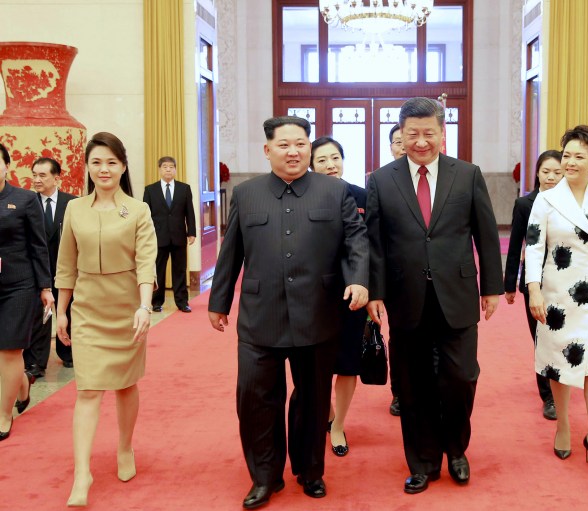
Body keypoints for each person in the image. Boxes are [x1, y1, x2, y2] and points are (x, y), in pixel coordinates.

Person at [207, 116, 369, 509]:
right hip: (260, 314)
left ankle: (310, 470)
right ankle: (265, 477)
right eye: (284, 145)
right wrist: (218, 302)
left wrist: (359, 278)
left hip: (318, 312)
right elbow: (231, 253)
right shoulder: (247, 195)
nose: (294, 151)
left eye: (301, 143)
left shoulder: (335, 192)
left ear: (309, 148)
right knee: (255, 397)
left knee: (313, 399)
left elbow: (356, 240)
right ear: (268, 150)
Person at [366, 97, 503, 494]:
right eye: (413, 134)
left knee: (460, 378)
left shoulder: (467, 174)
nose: (421, 141)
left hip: (457, 294)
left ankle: (456, 449)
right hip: (405, 296)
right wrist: (375, 290)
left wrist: (491, 286)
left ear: (442, 133)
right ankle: (422, 461)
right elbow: (374, 242)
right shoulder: (381, 179)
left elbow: (486, 235)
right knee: (412, 383)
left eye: (429, 133)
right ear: (401, 134)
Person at [55, 132, 157, 506]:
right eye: (97, 162)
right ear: (87, 167)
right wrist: (61, 313)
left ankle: (125, 447)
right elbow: (65, 265)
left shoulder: (138, 210)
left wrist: (144, 307)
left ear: (123, 166)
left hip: (127, 309)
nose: (104, 169)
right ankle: (82, 473)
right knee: (88, 389)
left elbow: (146, 262)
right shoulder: (75, 210)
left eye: (111, 162)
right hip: (87, 310)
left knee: (126, 385)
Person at [525, 125, 588, 474]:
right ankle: (564, 424)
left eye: (578, 156)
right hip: (557, 296)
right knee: (559, 361)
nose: (569, 162)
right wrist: (534, 289)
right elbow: (535, 245)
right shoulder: (547, 198)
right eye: (566, 154)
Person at [309, 136, 367, 458]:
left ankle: (338, 424)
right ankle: (327, 412)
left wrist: (372, 290)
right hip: (313, 295)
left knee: (347, 364)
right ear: (311, 164)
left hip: (352, 293)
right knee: (314, 364)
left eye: (335, 158)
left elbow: (371, 246)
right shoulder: (302, 196)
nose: (330, 165)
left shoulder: (361, 196)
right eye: (322, 160)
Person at [0, 143, 55, 441]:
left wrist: (45, 287)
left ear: (7, 166)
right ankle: (21, 383)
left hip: (18, 285)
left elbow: (38, 246)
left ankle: (3, 414)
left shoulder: (23, 200)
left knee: (9, 348)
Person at [504, 150, 563, 421]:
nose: (551, 177)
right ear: (537, 173)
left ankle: (562, 383)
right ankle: (548, 397)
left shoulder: (570, 204)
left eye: (557, 172)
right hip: (534, 282)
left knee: (560, 337)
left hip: (565, 282)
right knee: (541, 339)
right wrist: (510, 284)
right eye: (546, 172)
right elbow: (515, 245)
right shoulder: (525, 204)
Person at [24, 157, 77, 378]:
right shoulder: (26, 202)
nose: (37, 179)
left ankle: (70, 353)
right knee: (41, 316)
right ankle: (37, 361)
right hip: (38, 271)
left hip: (65, 269)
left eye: (42, 175)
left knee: (69, 312)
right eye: (34, 174)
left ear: (57, 178)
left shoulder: (72, 203)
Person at [142, 156, 196, 313]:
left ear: (175, 169)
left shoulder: (184, 188)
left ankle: (182, 302)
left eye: (171, 167)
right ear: (159, 169)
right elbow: (146, 215)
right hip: (158, 237)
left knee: (180, 269)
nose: (168, 169)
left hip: (179, 235)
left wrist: (191, 232)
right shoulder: (150, 190)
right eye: (165, 166)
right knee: (158, 270)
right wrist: (146, 235)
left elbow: (189, 212)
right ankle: (156, 301)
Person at [386, 123, 406, 417]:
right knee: (400, 338)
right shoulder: (381, 182)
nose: (403, 145)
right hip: (396, 278)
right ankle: (400, 392)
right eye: (398, 141)